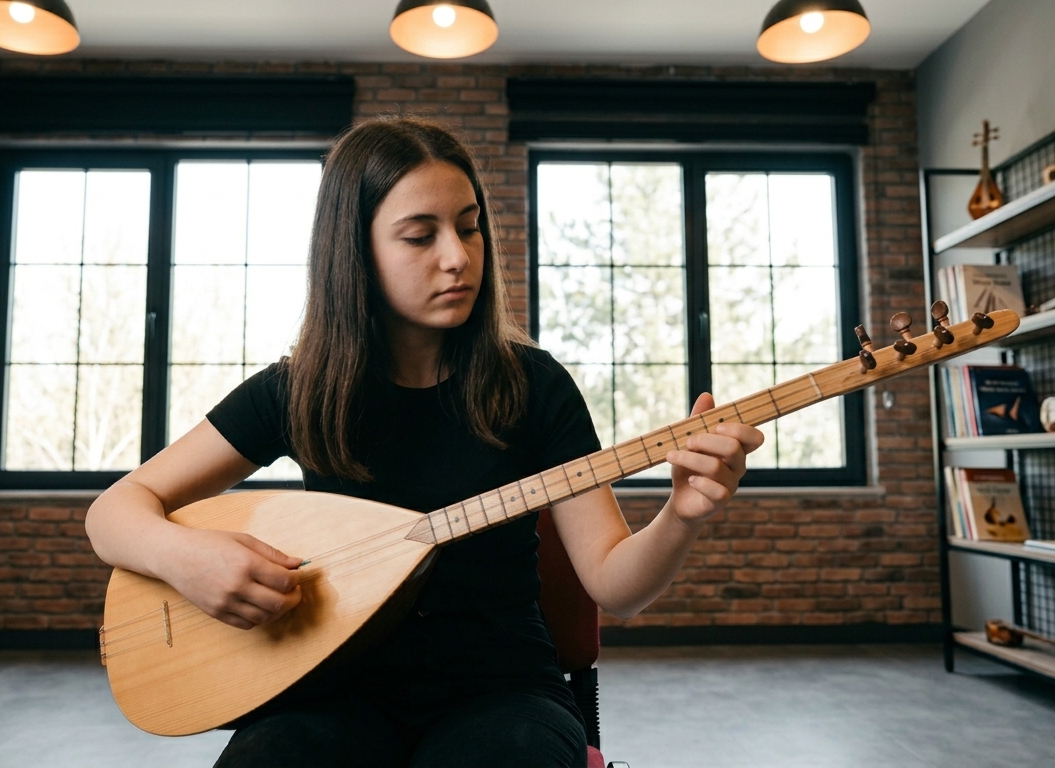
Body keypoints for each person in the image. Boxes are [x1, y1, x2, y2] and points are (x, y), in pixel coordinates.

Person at [84, 117, 763, 768]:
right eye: (419, 236)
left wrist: (680, 514)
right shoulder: (296, 391)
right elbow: (114, 512)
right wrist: (184, 557)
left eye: (469, 229)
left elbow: (617, 586)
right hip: (327, 692)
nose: (457, 257)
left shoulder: (533, 385)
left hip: (503, 695)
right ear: (355, 250)